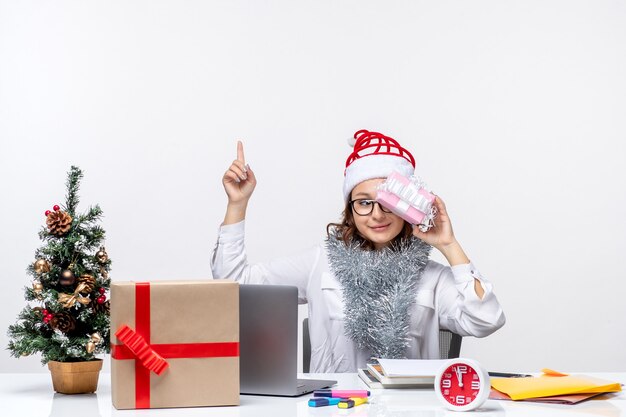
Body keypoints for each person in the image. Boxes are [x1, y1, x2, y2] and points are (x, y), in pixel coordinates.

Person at [211, 129, 505, 373]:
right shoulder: (320, 263)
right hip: (332, 407)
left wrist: (448, 245)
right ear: (350, 210)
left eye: (388, 202)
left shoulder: (433, 277)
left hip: (413, 410)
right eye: (364, 202)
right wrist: (237, 204)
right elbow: (235, 286)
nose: (377, 214)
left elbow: (486, 319)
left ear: (408, 207)